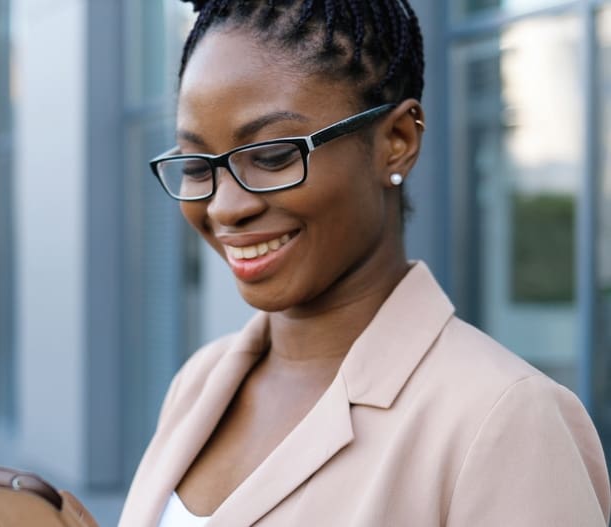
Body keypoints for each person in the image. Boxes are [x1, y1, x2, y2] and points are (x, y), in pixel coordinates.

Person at [117, 1, 611, 526]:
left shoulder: (503, 419)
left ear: (397, 142)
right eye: (197, 166)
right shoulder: (201, 382)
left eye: (272, 156)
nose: (224, 207)